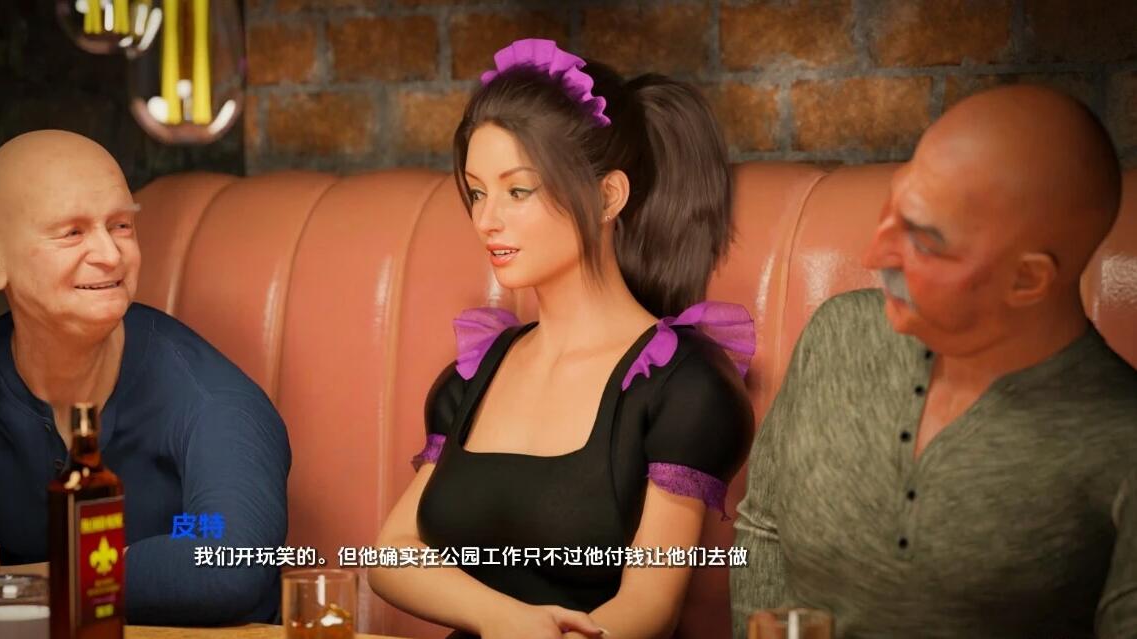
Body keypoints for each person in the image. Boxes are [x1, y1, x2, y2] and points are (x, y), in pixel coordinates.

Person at [368, 38, 756, 639]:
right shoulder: (475, 373)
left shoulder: (682, 387)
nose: (486, 219)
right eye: (477, 191)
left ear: (607, 196)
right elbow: (391, 552)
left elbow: (649, 605)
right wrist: (503, 618)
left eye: (517, 190)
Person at [730, 85, 1137, 638]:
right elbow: (763, 528)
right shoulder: (837, 334)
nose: (876, 256)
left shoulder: (1120, 441)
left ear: (1027, 279)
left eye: (926, 241)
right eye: (893, 211)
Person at [0, 130, 291, 626]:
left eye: (121, 225)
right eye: (72, 232)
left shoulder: (212, 400)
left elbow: (229, 561)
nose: (110, 255)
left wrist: (2, 589)